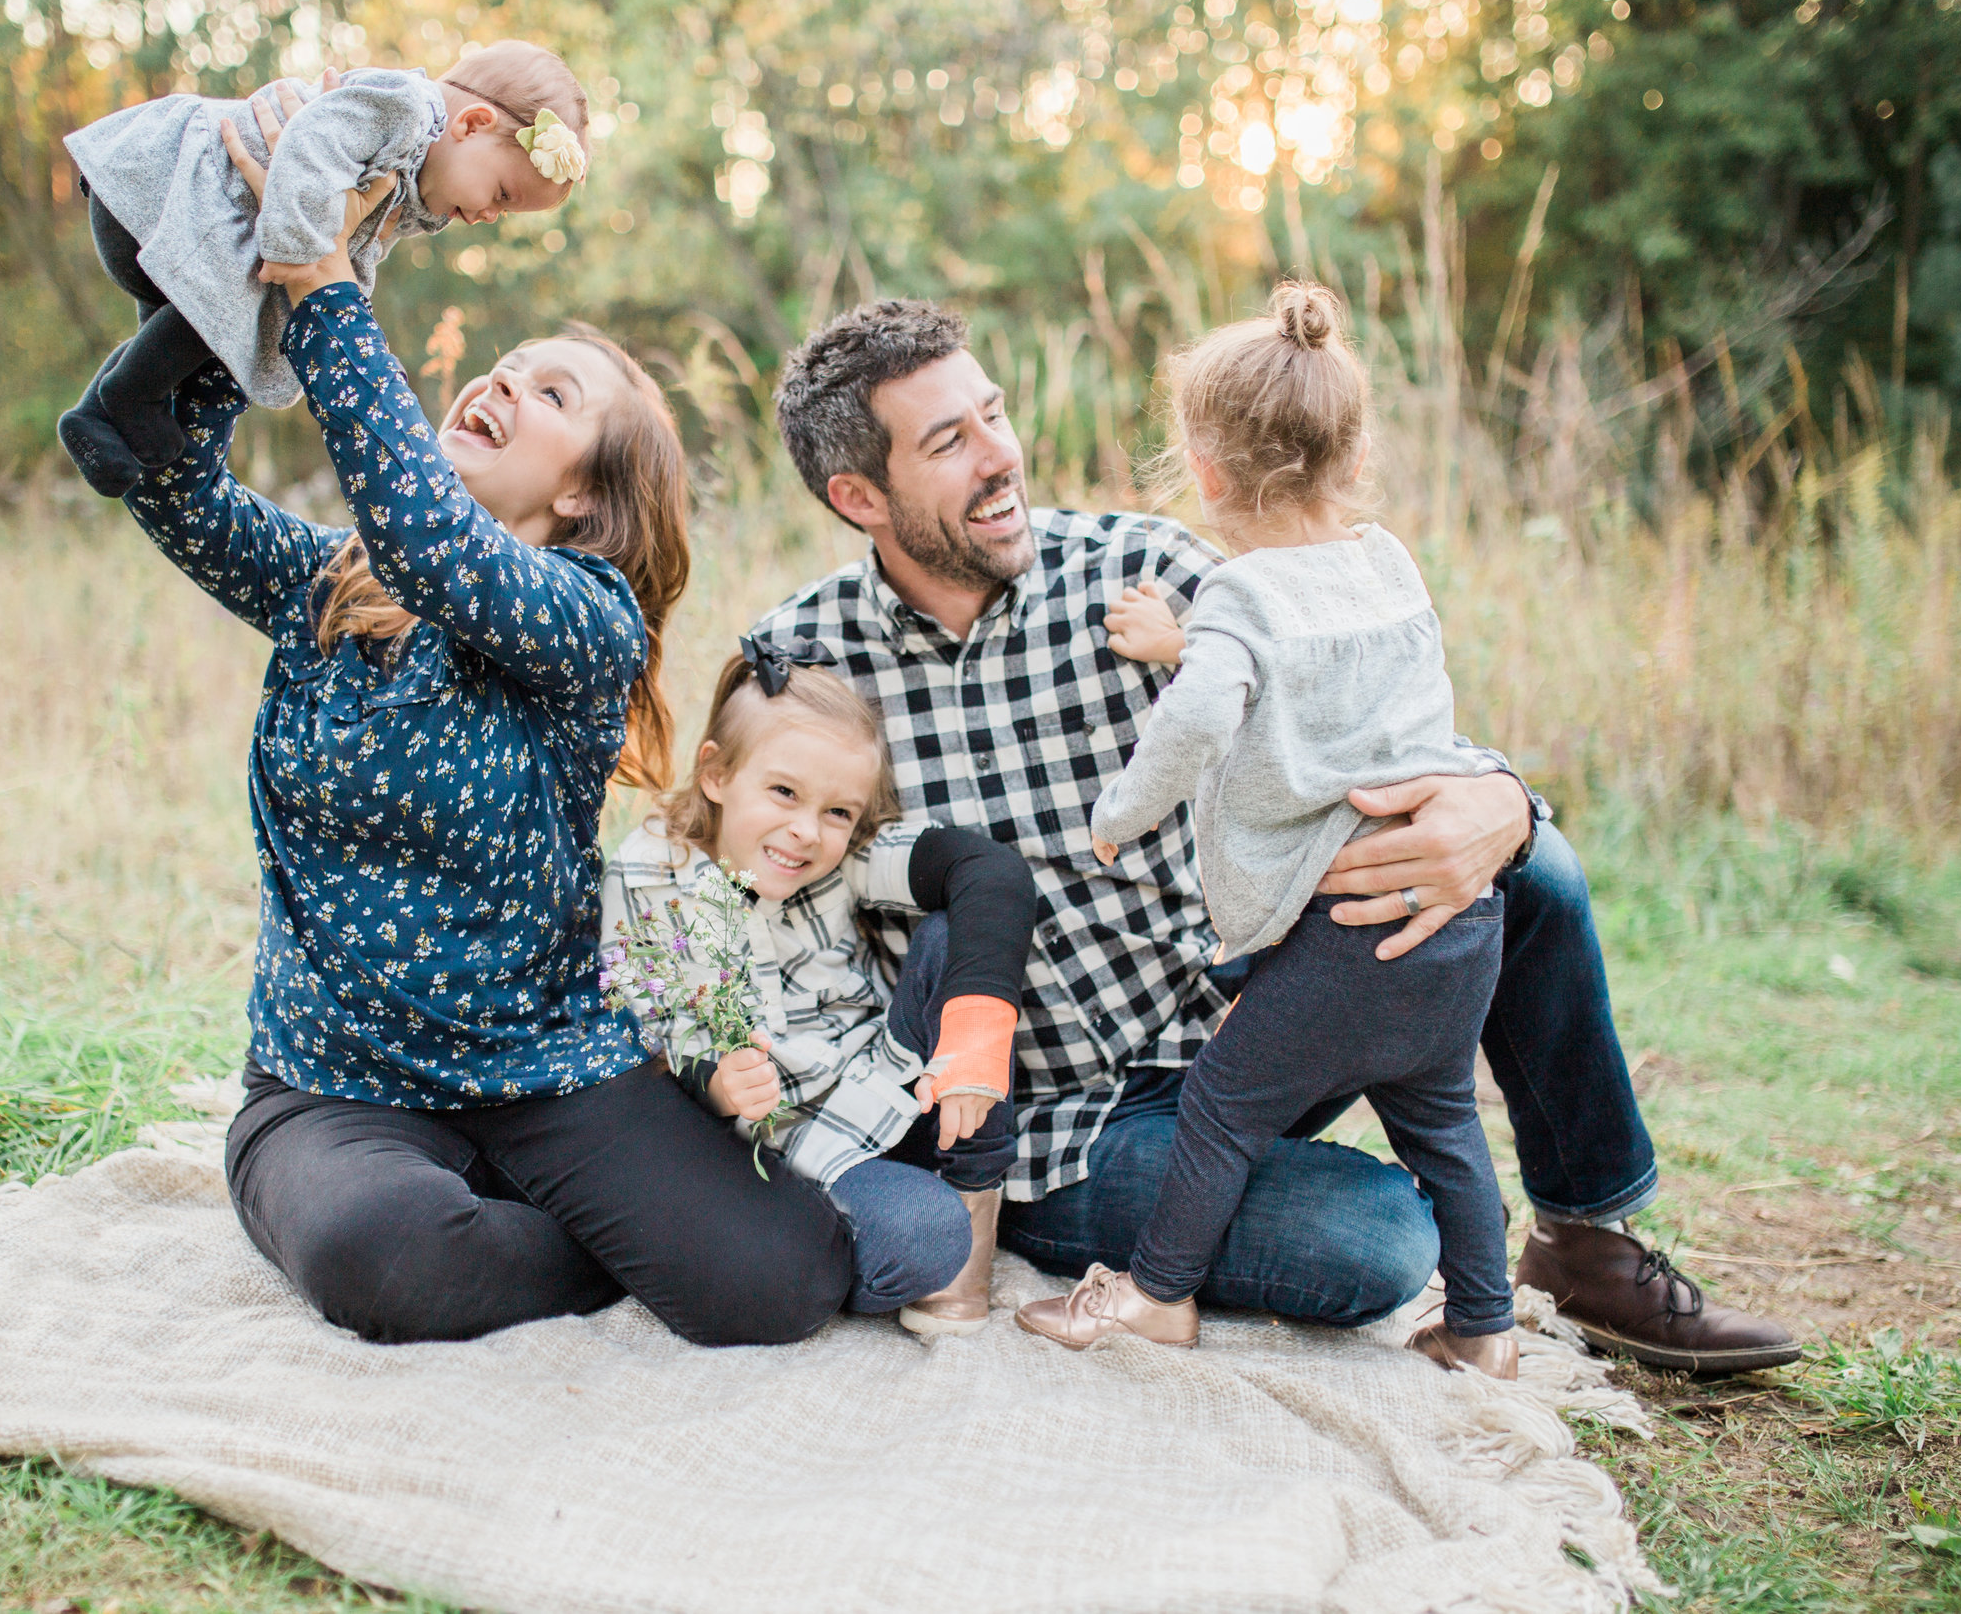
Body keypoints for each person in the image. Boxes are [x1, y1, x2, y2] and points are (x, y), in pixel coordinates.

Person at [755, 296, 1803, 1375]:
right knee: (1382, 1242)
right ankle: (1135, 1225)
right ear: (858, 494)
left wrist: (1500, 799)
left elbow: (1365, 716)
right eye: (949, 440)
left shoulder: (1149, 567)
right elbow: (740, 888)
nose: (1000, 456)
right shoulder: (803, 662)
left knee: (1532, 869)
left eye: (994, 413)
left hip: (1265, 1010)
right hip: (1069, 1124)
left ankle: (1586, 1242)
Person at [98, 110, 853, 1348]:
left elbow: (435, 549)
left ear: (581, 495)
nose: (499, 379)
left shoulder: (585, 623)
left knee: (775, 1281)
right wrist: (224, 255)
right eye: (504, 362)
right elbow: (162, 473)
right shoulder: (331, 586)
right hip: (333, 1080)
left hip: (547, 1059)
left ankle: (551, 1200)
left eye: (550, 391)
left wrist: (325, 282)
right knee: (379, 1254)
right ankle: (465, 1211)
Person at [1013, 284, 1513, 1375]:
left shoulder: (1239, 594)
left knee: (1219, 1112)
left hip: (1340, 937)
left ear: (1204, 470)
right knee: (1446, 1130)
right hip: (1455, 924)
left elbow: (1205, 711)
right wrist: (1182, 638)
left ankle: (1155, 1295)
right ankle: (1485, 1328)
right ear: (1349, 449)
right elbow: (1310, 672)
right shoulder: (1384, 560)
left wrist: (1115, 818)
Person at [600, 646, 1036, 1335]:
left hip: (908, 1091)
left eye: (837, 811)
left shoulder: (847, 860)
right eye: (783, 793)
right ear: (716, 773)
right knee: (923, 1234)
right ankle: (878, 1245)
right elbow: (650, 1029)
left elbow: (988, 871)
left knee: (956, 932)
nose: (806, 831)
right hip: (810, 1154)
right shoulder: (654, 873)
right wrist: (717, 1082)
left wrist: (976, 1031)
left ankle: (977, 1189)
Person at [59, 43, 589, 497]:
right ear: (472, 124)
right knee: (251, 288)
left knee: (225, 318)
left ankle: (95, 418)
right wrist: (294, 252)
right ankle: (131, 393)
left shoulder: (410, 185)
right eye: (500, 194)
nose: (488, 216)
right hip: (163, 192)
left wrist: (337, 283)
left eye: (503, 212)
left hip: (176, 228)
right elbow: (310, 144)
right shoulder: (405, 110)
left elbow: (353, 260)